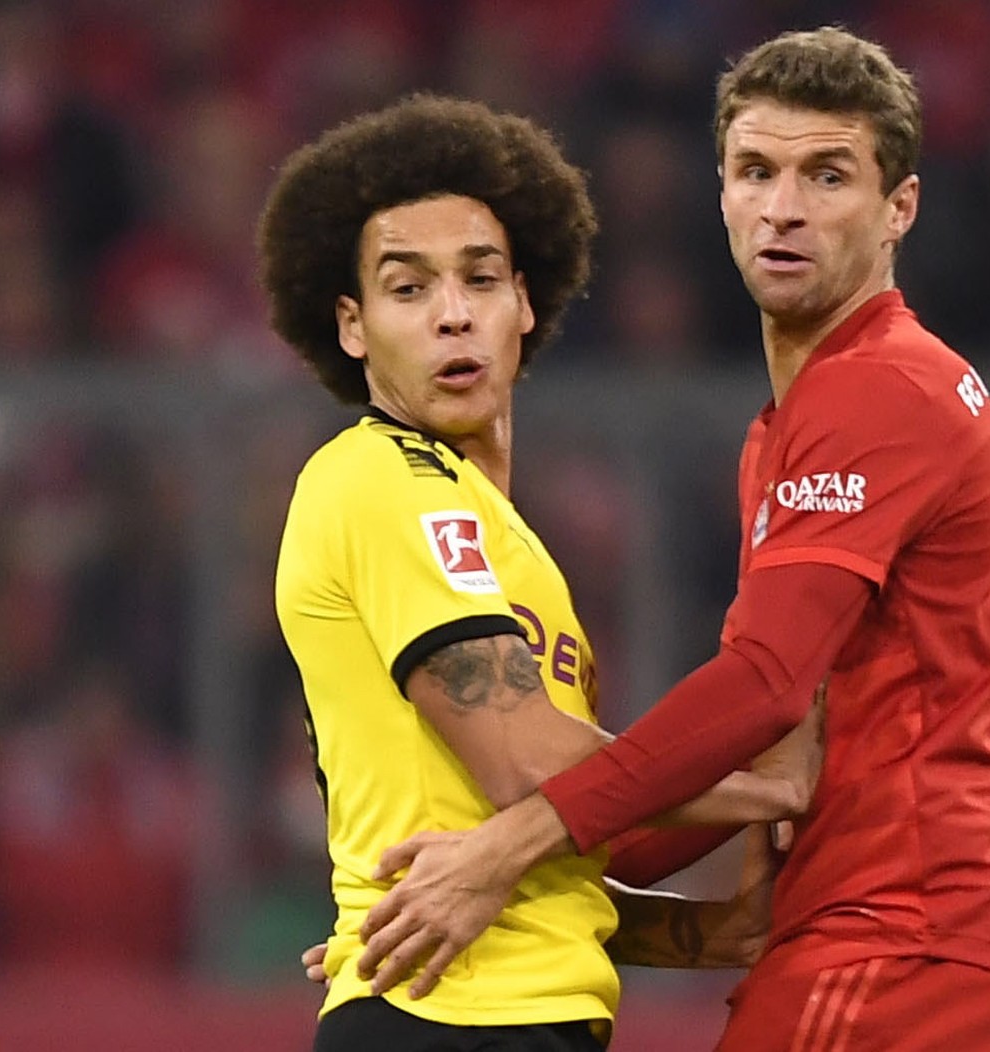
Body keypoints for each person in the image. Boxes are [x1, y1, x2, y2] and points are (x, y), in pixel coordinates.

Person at [354, 29, 990, 1052]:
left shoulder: (875, 387)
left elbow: (764, 686)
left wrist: (518, 839)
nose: (783, 207)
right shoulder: (796, 424)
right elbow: (776, 755)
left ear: (899, 209)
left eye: (827, 175)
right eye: (756, 170)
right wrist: (504, 872)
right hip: (932, 946)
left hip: (903, 943)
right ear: (723, 193)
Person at [259, 94, 822, 1052]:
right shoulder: (382, 478)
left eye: (478, 280)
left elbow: (527, 840)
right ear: (351, 327)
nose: (451, 315)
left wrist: (689, 934)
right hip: (449, 1024)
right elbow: (529, 761)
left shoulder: (503, 539)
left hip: (501, 1018)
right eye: (407, 289)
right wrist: (765, 785)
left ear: (524, 301)